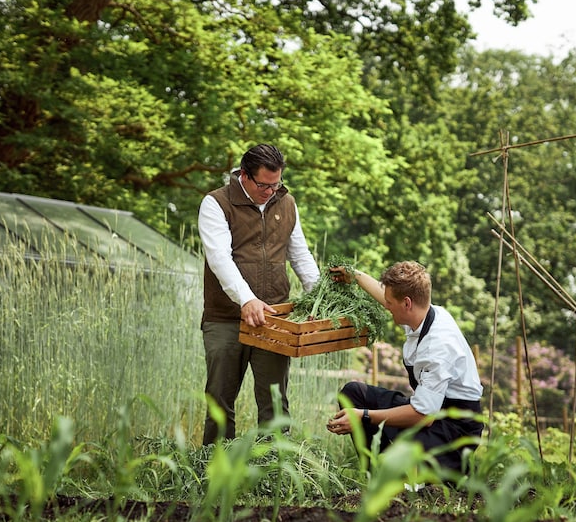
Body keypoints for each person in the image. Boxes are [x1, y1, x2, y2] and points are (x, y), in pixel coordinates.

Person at [198, 144, 320, 444]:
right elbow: (219, 259)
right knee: (220, 400)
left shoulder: (287, 203)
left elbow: (300, 255)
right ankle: (214, 469)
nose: (270, 191)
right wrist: (246, 299)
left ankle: (273, 473)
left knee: (275, 402)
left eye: (275, 184)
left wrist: (319, 297)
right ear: (245, 176)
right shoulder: (216, 203)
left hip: (275, 319)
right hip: (226, 318)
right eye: (264, 185)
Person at [326, 261, 484, 472]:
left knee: (398, 452)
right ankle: (376, 475)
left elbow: (422, 416)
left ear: (407, 303)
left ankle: (450, 468)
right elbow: (389, 297)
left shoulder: (438, 346)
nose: (387, 306)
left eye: (390, 303)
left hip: (453, 431)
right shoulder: (423, 313)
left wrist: (363, 415)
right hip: (432, 411)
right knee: (353, 394)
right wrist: (354, 275)